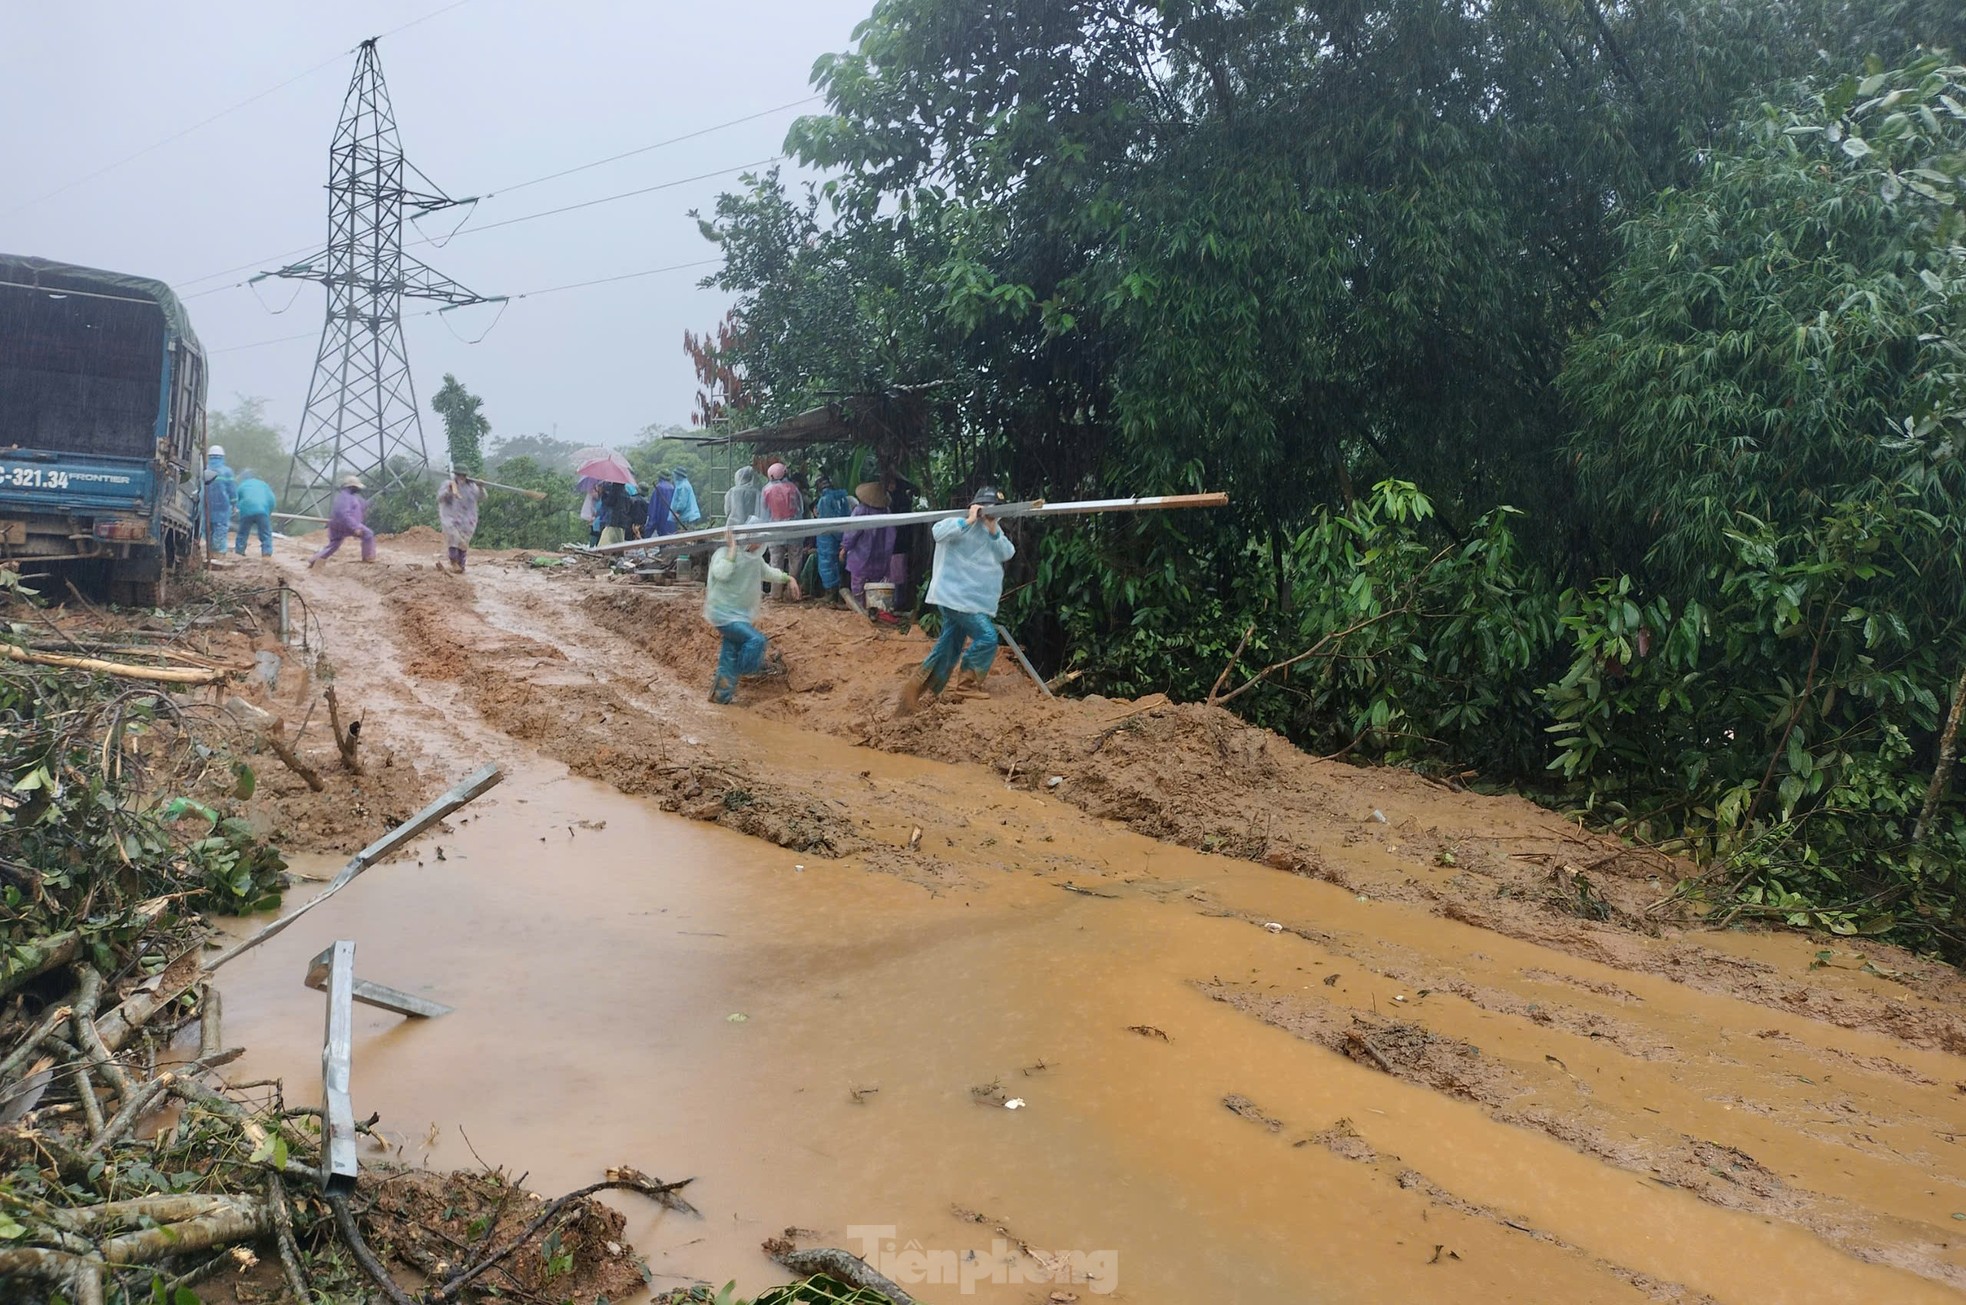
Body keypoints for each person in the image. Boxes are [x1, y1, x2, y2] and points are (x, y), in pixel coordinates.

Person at [899, 486, 1016, 713]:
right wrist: (969, 520)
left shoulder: (994, 532)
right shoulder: (958, 523)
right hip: (955, 598)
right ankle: (968, 684)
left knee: (950, 645)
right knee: (987, 637)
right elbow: (938, 533)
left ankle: (920, 687)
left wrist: (993, 530)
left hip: (972, 602)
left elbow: (1007, 553)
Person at [703, 522, 800, 704]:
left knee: (729, 654)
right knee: (757, 640)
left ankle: (720, 698)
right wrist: (732, 549)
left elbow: (769, 573)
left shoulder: (754, 560)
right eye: (755, 540)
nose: (757, 545)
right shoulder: (723, 553)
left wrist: (789, 578)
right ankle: (749, 670)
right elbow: (722, 573)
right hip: (722, 614)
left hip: (738, 616)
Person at [842, 481, 897, 605]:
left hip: (860, 558)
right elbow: (891, 537)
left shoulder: (861, 510)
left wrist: (845, 548)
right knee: (875, 590)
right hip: (880, 559)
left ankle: (860, 616)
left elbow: (852, 532)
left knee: (858, 589)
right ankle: (874, 613)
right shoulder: (887, 512)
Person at [310, 475, 376, 568]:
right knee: (368, 534)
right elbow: (344, 514)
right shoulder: (347, 498)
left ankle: (315, 559)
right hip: (347, 524)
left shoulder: (344, 497)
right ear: (352, 487)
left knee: (334, 544)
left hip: (336, 524)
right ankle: (368, 557)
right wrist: (355, 527)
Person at [761, 461, 805, 596]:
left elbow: (763, 513)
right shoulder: (793, 488)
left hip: (774, 531)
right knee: (795, 560)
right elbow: (800, 509)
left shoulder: (766, 490)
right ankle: (793, 592)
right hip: (793, 530)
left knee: (775, 561)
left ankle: (776, 593)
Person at [812, 474, 854, 600]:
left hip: (827, 538)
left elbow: (826, 521)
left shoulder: (824, 500)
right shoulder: (842, 498)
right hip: (842, 535)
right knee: (840, 566)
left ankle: (830, 594)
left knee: (827, 565)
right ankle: (841, 594)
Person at [437, 469, 488, 572]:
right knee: (454, 539)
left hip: (468, 520)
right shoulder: (448, 484)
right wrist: (449, 490)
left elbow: (483, 497)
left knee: (463, 543)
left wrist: (481, 487)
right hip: (450, 518)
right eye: (459, 475)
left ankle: (461, 565)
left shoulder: (472, 486)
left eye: (463, 475)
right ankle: (454, 562)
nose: (461, 478)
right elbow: (440, 498)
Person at [231, 467, 276, 558]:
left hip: (246, 511)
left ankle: (239, 551)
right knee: (266, 533)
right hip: (263, 510)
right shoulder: (263, 485)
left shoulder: (242, 485)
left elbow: (235, 499)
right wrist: (269, 512)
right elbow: (272, 500)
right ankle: (266, 552)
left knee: (243, 532)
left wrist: (235, 509)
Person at [203, 445, 235, 553]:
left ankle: (208, 550)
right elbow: (232, 489)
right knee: (220, 527)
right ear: (222, 457)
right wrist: (234, 502)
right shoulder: (227, 471)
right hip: (223, 505)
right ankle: (218, 551)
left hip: (205, 505)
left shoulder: (204, 469)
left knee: (207, 528)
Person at [596, 481, 634, 546]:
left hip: (614, 521)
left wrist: (603, 494)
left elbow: (608, 502)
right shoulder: (626, 494)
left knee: (604, 543)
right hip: (623, 521)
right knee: (619, 542)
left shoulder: (615, 492)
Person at [645, 471, 679, 538]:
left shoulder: (659, 488)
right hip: (672, 526)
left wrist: (647, 533)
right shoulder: (673, 488)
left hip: (661, 526)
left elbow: (653, 512)